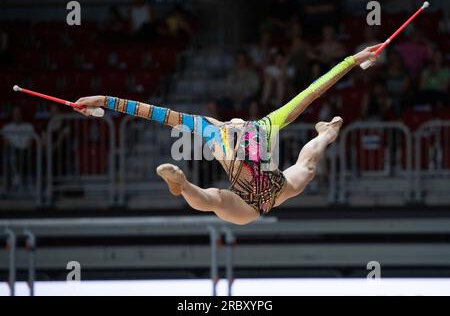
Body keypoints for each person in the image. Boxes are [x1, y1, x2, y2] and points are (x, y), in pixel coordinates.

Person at [73, 45, 380, 225]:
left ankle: (326, 133)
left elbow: (313, 92)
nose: (236, 125)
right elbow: (150, 111)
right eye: (231, 124)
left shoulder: (264, 125)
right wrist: (103, 101)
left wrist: (353, 60)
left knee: (308, 167)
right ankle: (181, 184)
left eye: (239, 123)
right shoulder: (210, 130)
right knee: (215, 199)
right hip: (245, 204)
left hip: (278, 188)